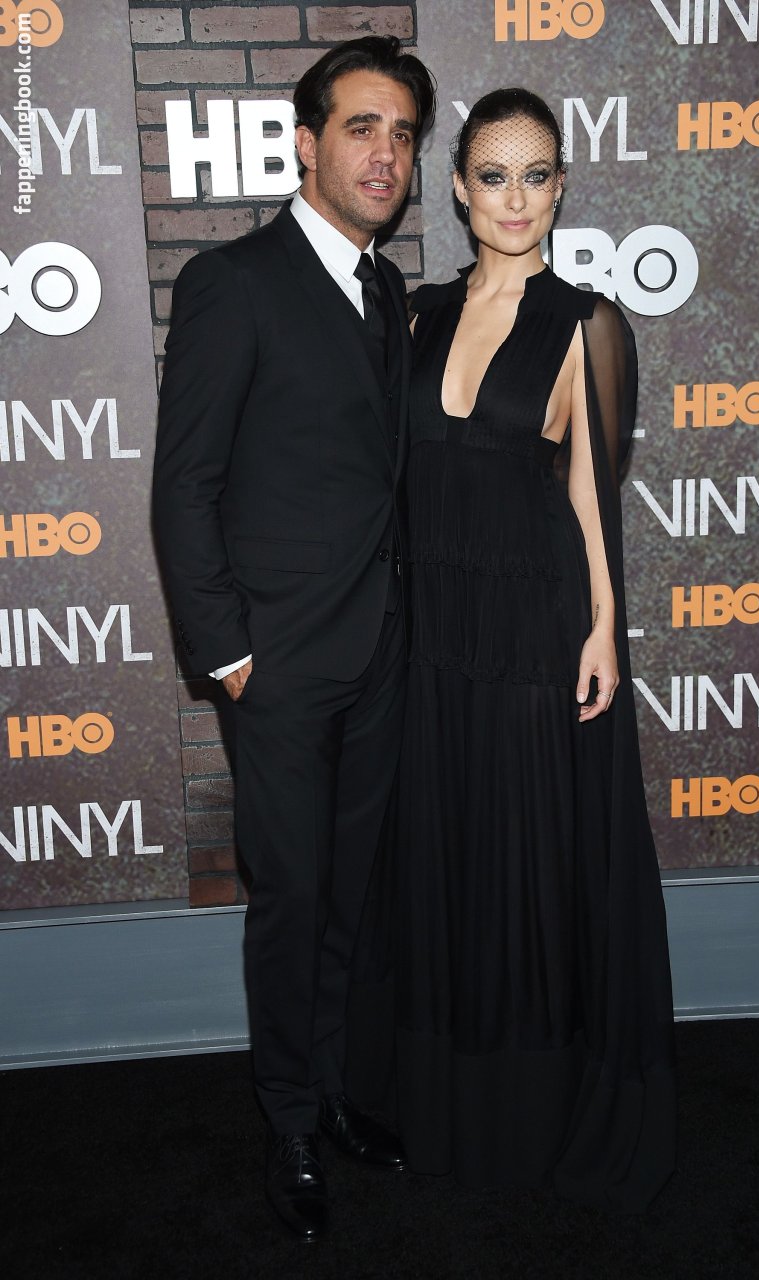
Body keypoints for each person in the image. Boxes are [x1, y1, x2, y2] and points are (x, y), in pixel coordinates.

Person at [152, 37, 436, 1242]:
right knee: (292, 898)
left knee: (354, 896)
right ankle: (287, 1123)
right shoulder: (235, 281)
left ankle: (334, 1092)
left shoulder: (388, 293)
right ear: (307, 143)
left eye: (404, 134)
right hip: (278, 668)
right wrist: (229, 654)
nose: (386, 153)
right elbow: (185, 484)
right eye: (363, 127)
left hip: (381, 656)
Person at [394, 88, 676, 1210]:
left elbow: (592, 492)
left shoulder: (588, 322)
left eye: (537, 174)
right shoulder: (415, 315)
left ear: (561, 186)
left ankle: (527, 1117)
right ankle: (440, 1106)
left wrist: (604, 627)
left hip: (530, 628)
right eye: (493, 175)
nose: (516, 199)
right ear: (459, 189)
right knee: (445, 861)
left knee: (521, 865)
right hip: (430, 634)